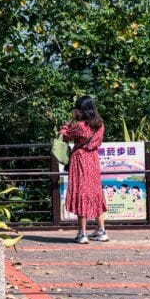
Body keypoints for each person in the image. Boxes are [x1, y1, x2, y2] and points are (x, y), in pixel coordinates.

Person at [60, 95, 108, 243]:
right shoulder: (100, 125)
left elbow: (64, 136)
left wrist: (68, 122)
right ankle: (101, 231)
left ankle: (82, 234)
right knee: (95, 193)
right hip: (93, 160)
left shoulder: (80, 126)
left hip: (80, 159)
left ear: (82, 109)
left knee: (82, 192)